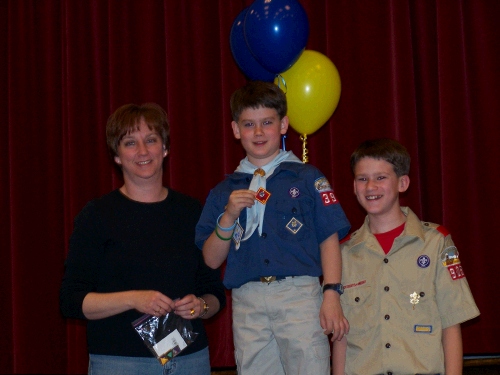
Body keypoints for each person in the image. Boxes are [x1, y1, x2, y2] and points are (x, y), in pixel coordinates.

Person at [195, 81, 351, 375]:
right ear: (235, 129)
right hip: (248, 299)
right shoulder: (223, 191)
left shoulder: (306, 178)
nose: (258, 132)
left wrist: (331, 293)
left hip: (299, 295)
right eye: (249, 124)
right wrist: (228, 216)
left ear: (283, 125)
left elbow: (329, 238)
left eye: (267, 122)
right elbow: (211, 259)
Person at [59, 103, 226, 375]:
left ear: (165, 148)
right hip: (119, 362)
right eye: (129, 143)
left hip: (189, 361)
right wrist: (134, 299)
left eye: (151, 140)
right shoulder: (97, 216)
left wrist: (201, 306)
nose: (142, 151)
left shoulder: (192, 211)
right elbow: (71, 300)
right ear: (116, 155)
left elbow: (214, 290)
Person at [332, 138, 480, 375]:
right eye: (362, 179)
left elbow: (451, 324)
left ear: (403, 183)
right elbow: (340, 336)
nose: (370, 187)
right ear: (354, 186)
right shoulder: (344, 254)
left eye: (381, 178)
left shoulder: (435, 243)